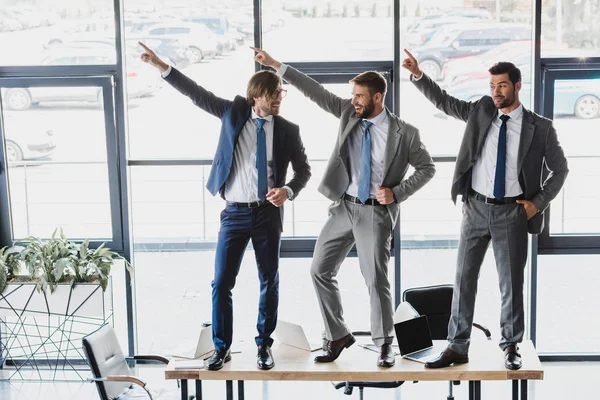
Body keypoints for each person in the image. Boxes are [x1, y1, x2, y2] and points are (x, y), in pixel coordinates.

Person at [252, 46, 435, 368]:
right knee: (319, 269)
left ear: (378, 97)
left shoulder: (405, 133)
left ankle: (383, 344)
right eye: (353, 95)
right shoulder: (349, 113)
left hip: (375, 213)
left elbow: (427, 168)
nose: (354, 101)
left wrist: (397, 192)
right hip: (344, 207)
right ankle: (337, 335)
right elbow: (314, 90)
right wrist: (275, 65)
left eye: (360, 96)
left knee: (375, 279)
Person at [139, 42, 311, 371]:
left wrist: (288, 190)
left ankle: (264, 345)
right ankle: (222, 348)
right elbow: (196, 93)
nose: (279, 99)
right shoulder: (233, 113)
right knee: (221, 282)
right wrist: (161, 65)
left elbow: (303, 171)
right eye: (274, 93)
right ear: (257, 95)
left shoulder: (288, 130)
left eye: (281, 94)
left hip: (267, 213)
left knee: (268, 280)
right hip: (234, 212)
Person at [402, 49, 568, 370]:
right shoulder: (481, 110)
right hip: (476, 207)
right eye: (493, 85)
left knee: (510, 282)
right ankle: (457, 345)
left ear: (517, 86)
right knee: (464, 278)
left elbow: (559, 170)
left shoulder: (540, 127)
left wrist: (537, 203)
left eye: (502, 86)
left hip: (512, 213)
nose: (496, 91)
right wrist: (419, 74)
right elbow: (445, 102)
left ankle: (510, 346)